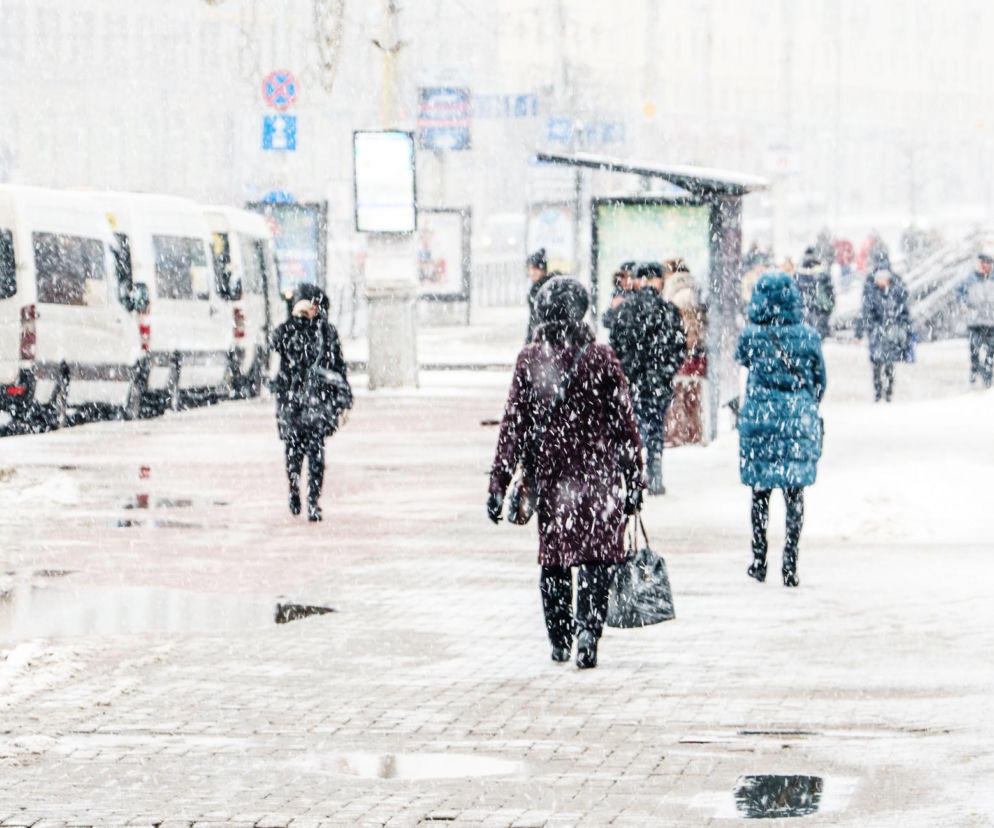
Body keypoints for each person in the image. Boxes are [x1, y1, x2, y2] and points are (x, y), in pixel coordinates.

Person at [487, 277, 644, 669]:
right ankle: (588, 633)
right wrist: (635, 480)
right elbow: (625, 425)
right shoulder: (601, 357)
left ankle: (559, 638)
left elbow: (513, 425)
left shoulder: (530, 360)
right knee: (596, 558)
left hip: (554, 481)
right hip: (599, 477)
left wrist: (498, 483)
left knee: (555, 559)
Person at [736, 271, 826, 587]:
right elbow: (820, 382)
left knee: (760, 494)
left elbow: (743, 361)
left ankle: (759, 560)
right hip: (796, 420)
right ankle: (790, 564)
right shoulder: (809, 336)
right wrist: (800, 403)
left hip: (761, 420)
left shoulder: (751, 335)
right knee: (794, 495)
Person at [271, 287, 352, 522]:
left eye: (315, 305)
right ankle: (294, 489)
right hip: (292, 401)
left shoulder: (326, 332)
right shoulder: (290, 329)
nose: (312, 310)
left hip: (318, 402)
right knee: (293, 452)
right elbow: (275, 343)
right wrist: (294, 319)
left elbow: (339, 368)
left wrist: (345, 400)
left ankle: (313, 501)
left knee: (316, 453)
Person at [609, 262, 687, 495]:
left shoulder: (625, 309)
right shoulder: (668, 310)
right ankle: (654, 477)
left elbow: (616, 345)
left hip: (632, 381)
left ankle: (634, 476)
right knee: (655, 430)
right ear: (660, 282)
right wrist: (665, 370)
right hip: (658, 382)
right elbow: (679, 347)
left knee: (633, 428)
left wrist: (627, 371)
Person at [854, 258, 912, 402]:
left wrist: (906, 328)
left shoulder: (896, 292)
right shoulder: (872, 294)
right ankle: (879, 391)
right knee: (877, 364)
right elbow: (865, 314)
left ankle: (888, 391)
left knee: (889, 364)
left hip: (891, 333)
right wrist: (859, 332)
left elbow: (904, 313)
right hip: (877, 333)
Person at [958, 253, 994, 387]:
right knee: (975, 349)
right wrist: (966, 305)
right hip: (975, 321)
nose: (985, 266)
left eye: (988, 263)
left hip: (991, 321)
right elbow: (960, 294)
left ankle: (987, 374)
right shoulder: (970, 279)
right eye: (983, 263)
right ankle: (974, 370)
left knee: (991, 350)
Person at [793, 247, 836, 339]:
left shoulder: (797, 274)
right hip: (820, 312)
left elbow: (794, 295)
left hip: (803, 313)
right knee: (818, 342)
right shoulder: (823, 274)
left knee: (804, 342)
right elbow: (831, 296)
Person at [524, 248, 553, 343]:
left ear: (543, 270)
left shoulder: (542, 288)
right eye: (530, 269)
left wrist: (529, 342)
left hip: (543, 339)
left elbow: (535, 319)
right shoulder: (541, 286)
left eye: (535, 269)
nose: (532, 273)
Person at [601, 261, 637, 330]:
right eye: (623, 277)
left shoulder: (641, 294)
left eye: (631, 277)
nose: (627, 281)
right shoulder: (617, 294)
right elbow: (606, 320)